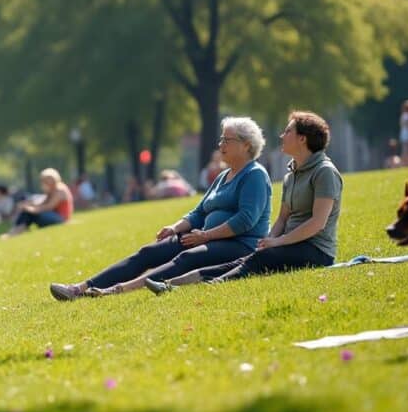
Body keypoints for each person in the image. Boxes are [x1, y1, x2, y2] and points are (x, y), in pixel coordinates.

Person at [49, 117, 271, 300]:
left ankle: (117, 290)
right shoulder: (223, 176)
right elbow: (199, 212)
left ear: (246, 145)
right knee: (148, 253)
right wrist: (175, 228)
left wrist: (206, 236)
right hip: (204, 237)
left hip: (239, 245)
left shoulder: (254, 175)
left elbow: (245, 220)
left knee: (187, 257)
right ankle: (80, 288)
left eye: (227, 140)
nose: (221, 144)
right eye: (221, 139)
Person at [146, 111, 342, 292]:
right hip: (289, 244)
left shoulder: (324, 172)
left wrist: (278, 242)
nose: (282, 135)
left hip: (315, 250)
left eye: (288, 131)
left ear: (302, 138)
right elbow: (283, 218)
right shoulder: (291, 175)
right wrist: (268, 241)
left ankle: (213, 285)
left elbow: (318, 223)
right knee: (245, 260)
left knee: (257, 260)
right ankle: (170, 285)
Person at [1, 168, 73, 238]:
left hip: (61, 219)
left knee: (30, 213)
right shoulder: (52, 190)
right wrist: (28, 205)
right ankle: (17, 229)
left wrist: (33, 210)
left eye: (46, 180)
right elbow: (43, 203)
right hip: (54, 216)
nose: (44, 183)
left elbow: (49, 207)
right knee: (27, 211)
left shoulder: (60, 190)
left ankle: (18, 230)